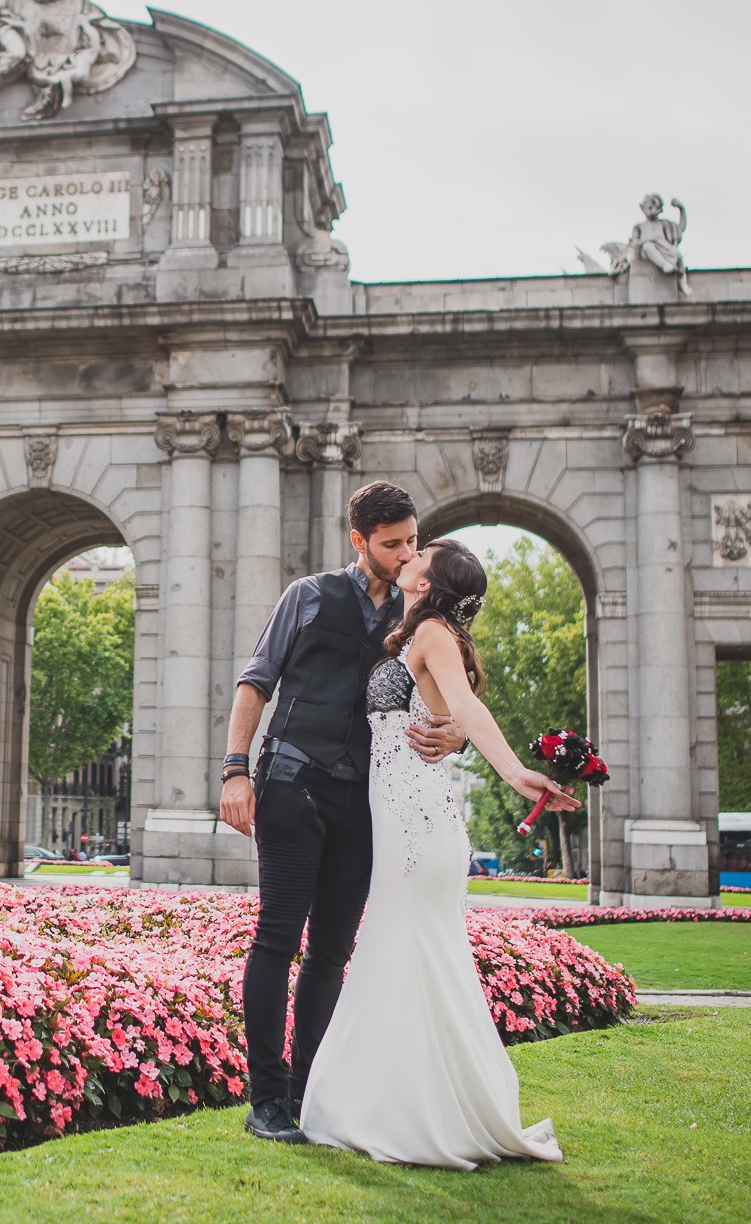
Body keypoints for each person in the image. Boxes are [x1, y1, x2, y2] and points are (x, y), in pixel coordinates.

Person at [300, 537, 581, 1166]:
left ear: (428, 584)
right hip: (406, 819)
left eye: (421, 555)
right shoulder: (415, 632)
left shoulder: (430, 634)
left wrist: (516, 774)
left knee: (406, 955)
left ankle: (406, 1113)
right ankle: (410, 1104)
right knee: (412, 959)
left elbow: (469, 710)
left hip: (417, 823)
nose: (409, 556)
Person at [220, 481, 468, 1144]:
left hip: (365, 803)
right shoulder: (307, 596)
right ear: (359, 540)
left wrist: (458, 735)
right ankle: (267, 1100)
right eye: (392, 543)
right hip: (294, 781)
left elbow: (453, 693)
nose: (406, 552)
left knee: (331, 951)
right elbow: (256, 681)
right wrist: (236, 770)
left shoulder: (418, 618)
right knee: (278, 938)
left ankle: (310, 1092)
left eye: (412, 540)